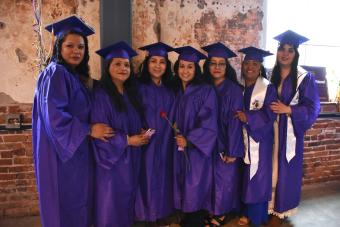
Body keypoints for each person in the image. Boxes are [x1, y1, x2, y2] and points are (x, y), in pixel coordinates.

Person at [32, 15, 113, 227]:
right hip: (62, 156)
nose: (76, 51)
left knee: (77, 203)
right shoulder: (55, 73)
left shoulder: (72, 76)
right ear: (59, 47)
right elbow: (55, 118)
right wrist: (89, 129)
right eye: (70, 46)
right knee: (66, 205)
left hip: (74, 152)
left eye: (81, 47)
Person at [91, 41, 150, 227]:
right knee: (111, 205)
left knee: (126, 203)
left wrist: (140, 131)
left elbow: (133, 121)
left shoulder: (130, 94)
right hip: (112, 164)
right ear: (108, 67)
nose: (123, 68)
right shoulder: (101, 96)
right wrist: (127, 140)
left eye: (126, 65)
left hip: (130, 159)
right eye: (117, 64)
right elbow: (101, 134)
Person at [268, 30, 320, 227]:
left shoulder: (304, 78)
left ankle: (280, 211)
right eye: (282, 49)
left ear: (295, 53)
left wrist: (288, 109)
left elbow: (313, 107)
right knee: (270, 167)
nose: (285, 53)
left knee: (285, 169)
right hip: (270, 129)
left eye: (290, 50)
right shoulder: (270, 74)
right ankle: (268, 206)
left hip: (289, 131)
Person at [171, 46, 218, 227]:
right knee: (183, 184)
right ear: (177, 68)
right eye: (182, 66)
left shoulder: (206, 91)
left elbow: (209, 123)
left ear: (196, 69)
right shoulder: (176, 90)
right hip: (179, 149)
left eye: (190, 67)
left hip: (197, 151)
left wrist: (190, 140)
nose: (185, 71)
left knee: (195, 186)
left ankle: (195, 222)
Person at [201, 42, 244, 226]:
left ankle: (221, 212)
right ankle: (210, 208)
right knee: (209, 178)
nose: (217, 67)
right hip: (206, 142)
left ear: (227, 67)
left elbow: (235, 122)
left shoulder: (233, 90)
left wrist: (232, 150)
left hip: (226, 141)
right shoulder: (203, 87)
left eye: (221, 63)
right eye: (213, 63)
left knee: (224, 178)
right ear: (207, 65)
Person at [134, 42, 176, 224]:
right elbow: (130, 114)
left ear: (167, 66)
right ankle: (144, 216)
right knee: (144, 177)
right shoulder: (137, 88)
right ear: (147, 63)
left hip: (166, 143)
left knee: (162, 177)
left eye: (162, 62)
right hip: (145, 144)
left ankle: (160, 213)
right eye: (153, 61)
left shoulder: (170, 91)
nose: (158, 66)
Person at [235, 46, 277, 227]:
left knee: (258, 176)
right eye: (247, 63)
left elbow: (271, 113)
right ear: (242, 66)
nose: (250, 67)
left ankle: (257, 215)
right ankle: (245, 210)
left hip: (261, 139)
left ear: (260, 66)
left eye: (254, 63)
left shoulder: (268, 88)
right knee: (245, 175)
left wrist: (249, 117)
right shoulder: (241, 88)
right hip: (244, 139)